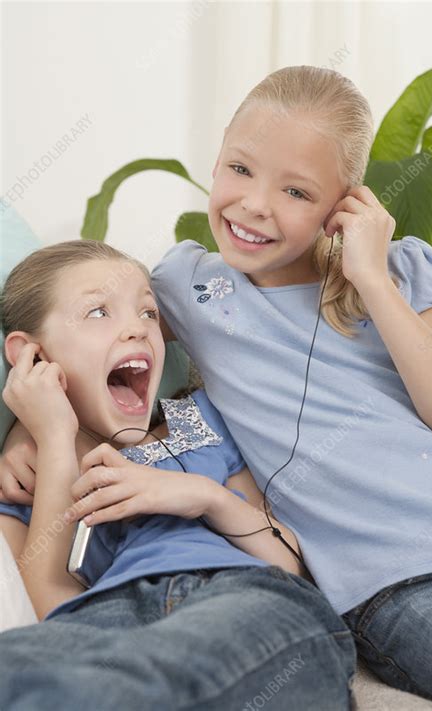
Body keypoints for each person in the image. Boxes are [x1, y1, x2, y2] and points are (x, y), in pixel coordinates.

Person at [148, 66, 432, 711]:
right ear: (215, 161)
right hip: (401, 583)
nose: (255, 204)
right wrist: (23, 433)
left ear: (344, 204)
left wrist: (373, 282)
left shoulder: (397, 272)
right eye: (239, 169)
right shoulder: (188, 289)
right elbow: (80, 336)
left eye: (296, 191)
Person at [0, 240, 356, 710]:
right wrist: (53, 438)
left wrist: (202, 495)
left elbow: (288, 562)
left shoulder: (200, 423)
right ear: (33, 357)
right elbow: (51, 609)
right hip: (103, 625)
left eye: (148, 313)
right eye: (98, 313)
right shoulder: (28, 477)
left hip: (241, 595)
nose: (136, 329)